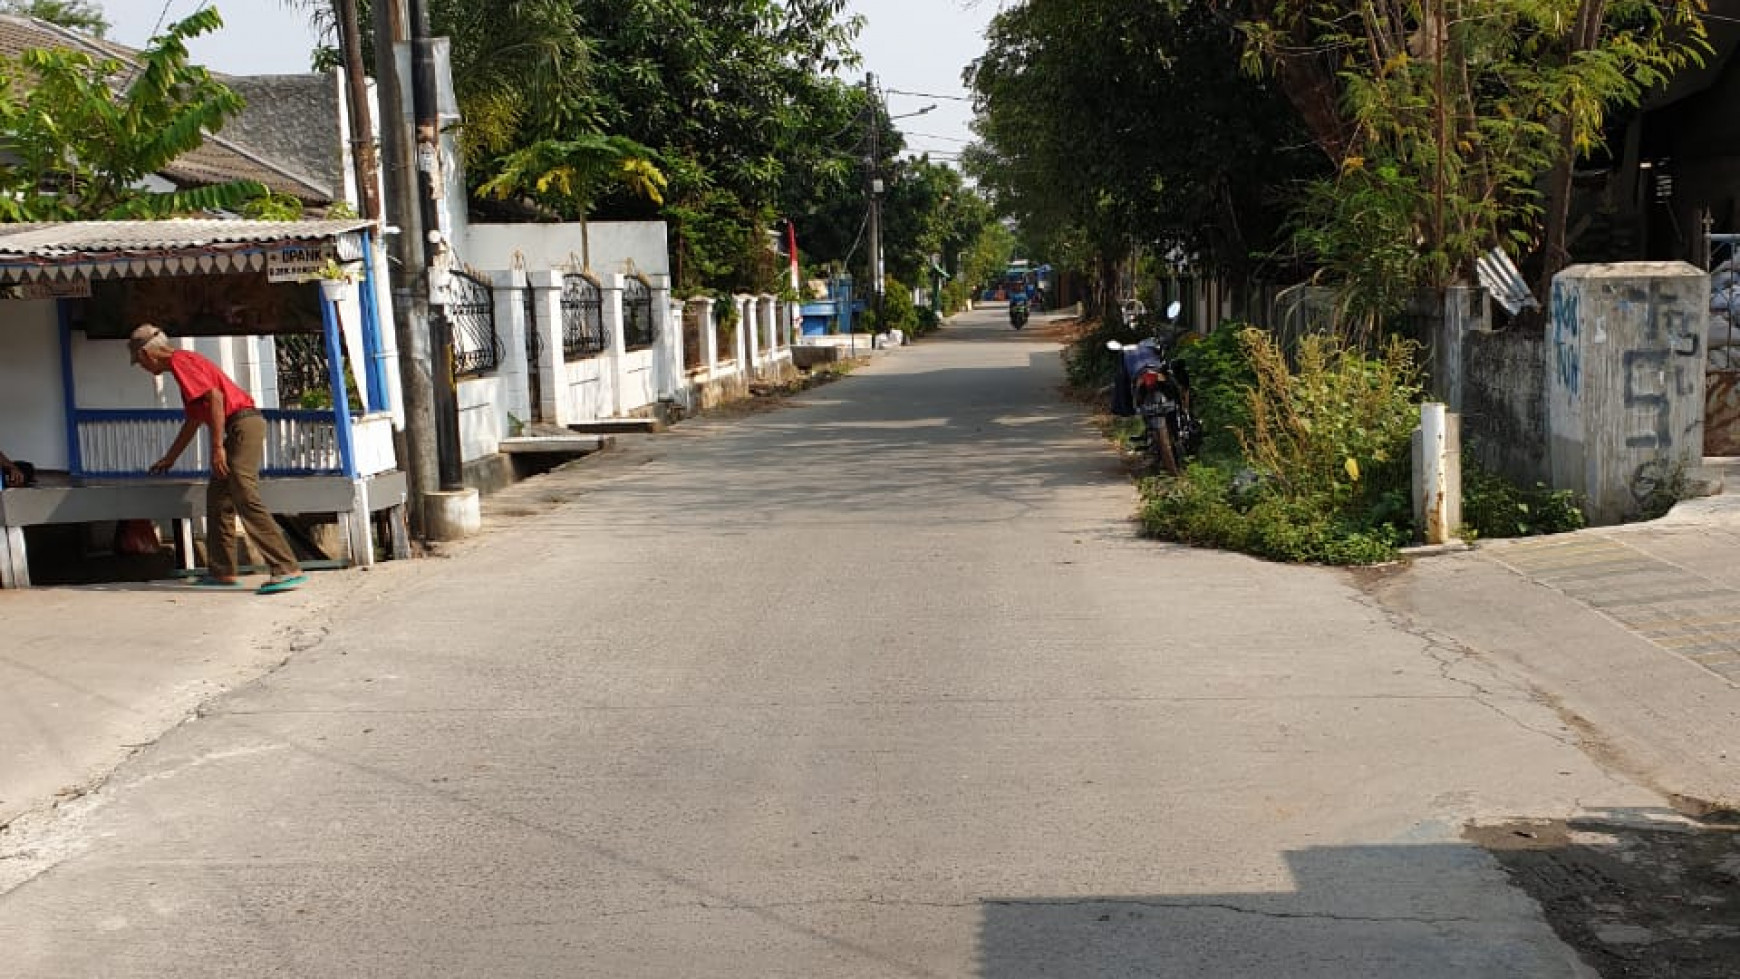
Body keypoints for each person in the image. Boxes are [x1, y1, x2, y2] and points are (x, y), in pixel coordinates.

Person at [128, 324, 306, 594]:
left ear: (146, 355)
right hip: (239, 425)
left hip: (242, 424)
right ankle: (222, 572)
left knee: (244, 493)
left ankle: (285, 567)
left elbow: (215, 398)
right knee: (219, 498)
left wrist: (217, 448)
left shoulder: (180, 362)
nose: (142, 369)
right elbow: (194, 420)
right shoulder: (183, 363)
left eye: (139, 362)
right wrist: (170, 457)